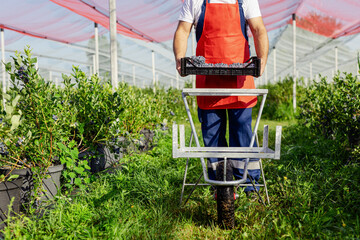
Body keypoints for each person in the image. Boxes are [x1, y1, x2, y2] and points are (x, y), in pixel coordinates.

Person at [173, 0, 269, 194]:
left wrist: (262, 61)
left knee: (242, 130)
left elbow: (258, 29)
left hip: (239, 81)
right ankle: (219, 183)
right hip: (209, 82)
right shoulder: (196, 1)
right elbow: (183, 30)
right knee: (212, 132)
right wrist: (179, 60)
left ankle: (250, 185)